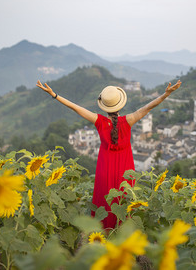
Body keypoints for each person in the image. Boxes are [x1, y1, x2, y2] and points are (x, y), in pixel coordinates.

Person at [36, 79, 182, 229]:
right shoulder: (129, 120)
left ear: (104, 106)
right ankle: (123, 234)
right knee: (124, 201)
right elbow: (150, 106)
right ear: (120, 103)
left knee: (104, 200)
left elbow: (74, 107)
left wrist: (54, 94)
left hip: (104, 168)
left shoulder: (98, 121)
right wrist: (166, 94)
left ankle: (103, 233)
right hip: (126, 170)